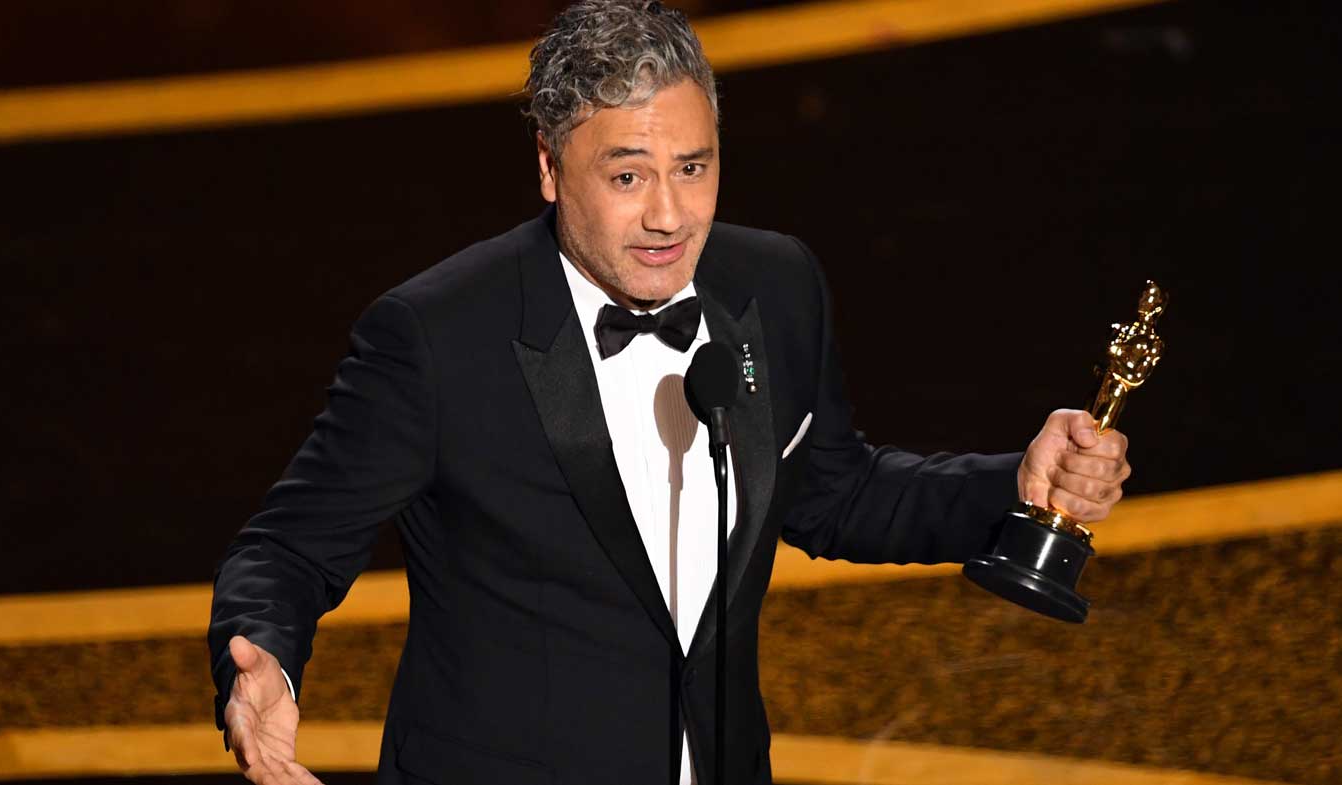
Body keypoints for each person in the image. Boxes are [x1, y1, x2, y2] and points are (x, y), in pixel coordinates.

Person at [207, 2, 1131, 784]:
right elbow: (290, 545)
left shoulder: (775, 283)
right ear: (548, 167)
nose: (669, 215)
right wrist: (267, 665)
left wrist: (1017, 482)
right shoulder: (438, 337)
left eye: (693, 167)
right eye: (627, 175)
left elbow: (834, 491)